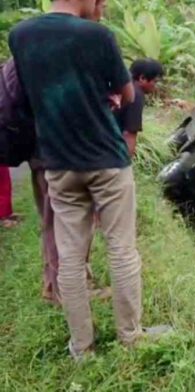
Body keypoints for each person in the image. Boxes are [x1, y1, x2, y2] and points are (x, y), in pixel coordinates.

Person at [9, 0, 147, 359]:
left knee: (69, 257)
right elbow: (128, 93)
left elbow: (26, 93)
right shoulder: (97, 34)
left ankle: (81, 348)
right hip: (106, 160)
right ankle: (130, 337)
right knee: (121, 249)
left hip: (58, 162)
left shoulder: (20, 35)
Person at [29, 0, 108, 306]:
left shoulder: (32, 42)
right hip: (56, 153)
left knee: (56, 223)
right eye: (100, 4)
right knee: (63, 225)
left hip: (46, 151)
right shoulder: (66, 44)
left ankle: (58, 285)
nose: (101, 10)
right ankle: (64, 291)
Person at [115, 59, 165, 157]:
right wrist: (126, 162)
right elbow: (129, 135)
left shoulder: (121, 85)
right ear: (142, 78)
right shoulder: (136, 95)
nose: (156, 87)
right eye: (155, 82)